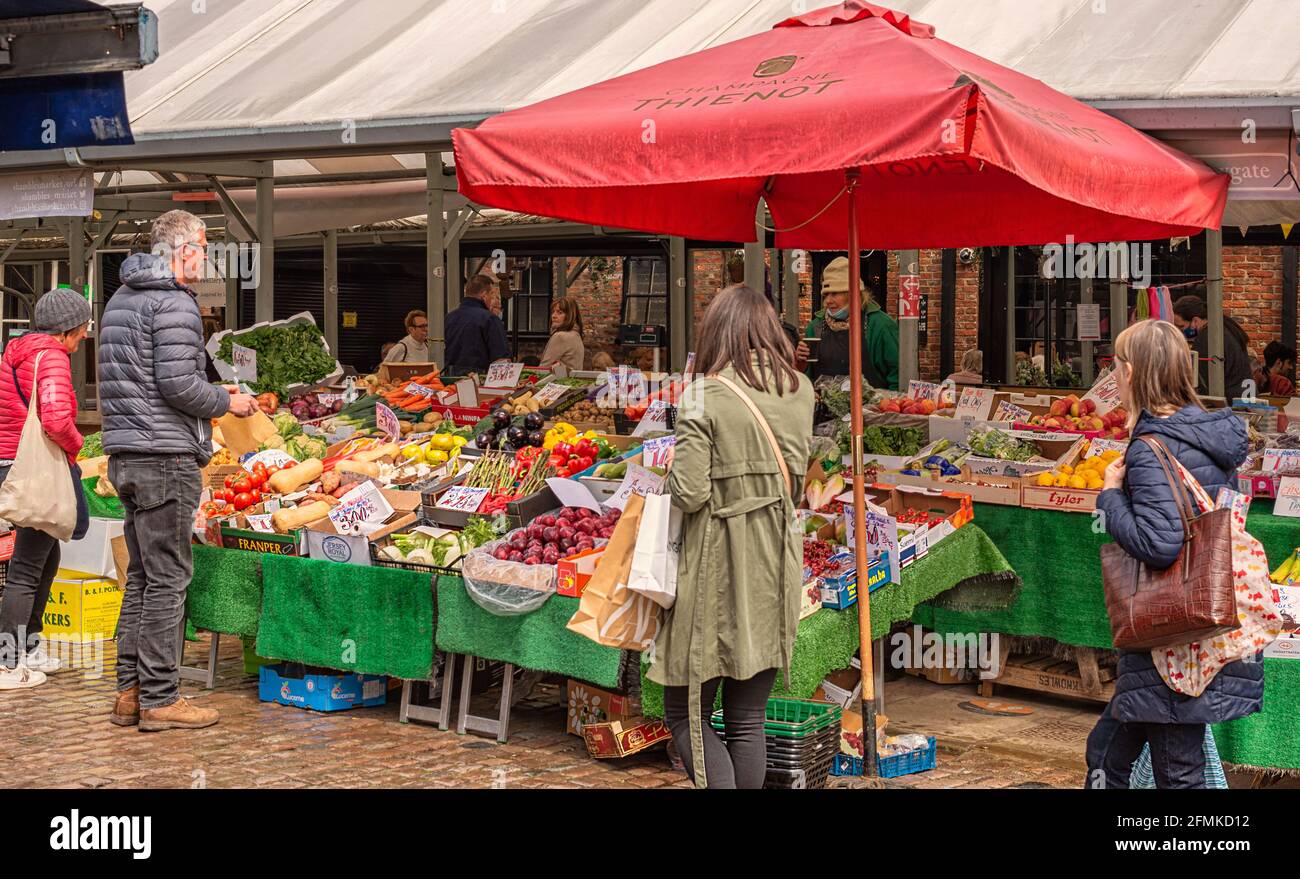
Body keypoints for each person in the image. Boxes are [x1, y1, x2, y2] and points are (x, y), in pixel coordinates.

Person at [99, 209, 259, 731]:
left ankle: (129, 692)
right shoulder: (174, 303)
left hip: (125, 453)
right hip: (164, 457)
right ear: (185, 249)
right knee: (169, 578)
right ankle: (161, 699)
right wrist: (225, 402)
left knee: (143, 577)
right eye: (206, 248)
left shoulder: (121, 298)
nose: (209, 259)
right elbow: (177, 386)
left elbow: (147, 380)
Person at [1086, 319, 1262, 788]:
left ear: (1131, 372)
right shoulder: (1209, 437)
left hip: (1170, 639)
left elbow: (1159, 545)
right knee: (1106, 751)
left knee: (1176, 773)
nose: (1114, 375)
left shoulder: (1150, 448)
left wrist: (1110, 495)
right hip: (1200, 630)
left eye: (1117, 365)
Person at [651, 284, 814, 789]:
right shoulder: (800, 390)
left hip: (715, 566)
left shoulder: (704, 394)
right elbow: (799, 480)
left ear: (716, 332)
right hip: (776, 562)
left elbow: (691, 494)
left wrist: (671, 467)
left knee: (686, 714)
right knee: (746, 719)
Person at [0, 289, 93, 689]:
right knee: (25, 567)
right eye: (85, 326)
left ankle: (29, 646)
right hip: (34, 468)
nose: (86, 335)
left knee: (47, 553)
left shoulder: (17, 350)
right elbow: (55, 421)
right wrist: (78, 445)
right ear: (70, 328)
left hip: (13, 462)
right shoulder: (52, 356)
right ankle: (6, 662)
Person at [795, 256, 899, 389]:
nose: (828, 301)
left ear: (853, 294)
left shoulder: (880, 325)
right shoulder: (815, 327)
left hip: (871, 408)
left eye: (834, 293)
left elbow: (897, 376)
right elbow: (806, 380)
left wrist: (887, 405)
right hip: (825, 407)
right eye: (825, 295)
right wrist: (800, 363)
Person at [1171, 295, 1253, 400]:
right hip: (1245, 397)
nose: (1179, 331)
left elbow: (1202, 381)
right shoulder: (1225, 327)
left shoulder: (1207, 338)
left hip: (1232, 402)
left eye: (1181, 326)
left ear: (1195, 321)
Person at [444, 274, 509, 374]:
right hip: (479, 379)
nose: (492, 298)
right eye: (491, 294)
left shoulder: (449, 317)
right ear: (483, 295)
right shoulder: (489, 319)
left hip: (450, 377)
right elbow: (501, 359)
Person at [539, 298, 585, 370]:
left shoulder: (560, 336)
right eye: (553, 312)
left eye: (559, 312)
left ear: (570, 316)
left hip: (558, 380)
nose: (553, 316)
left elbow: (543, 368)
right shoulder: (576, 335)